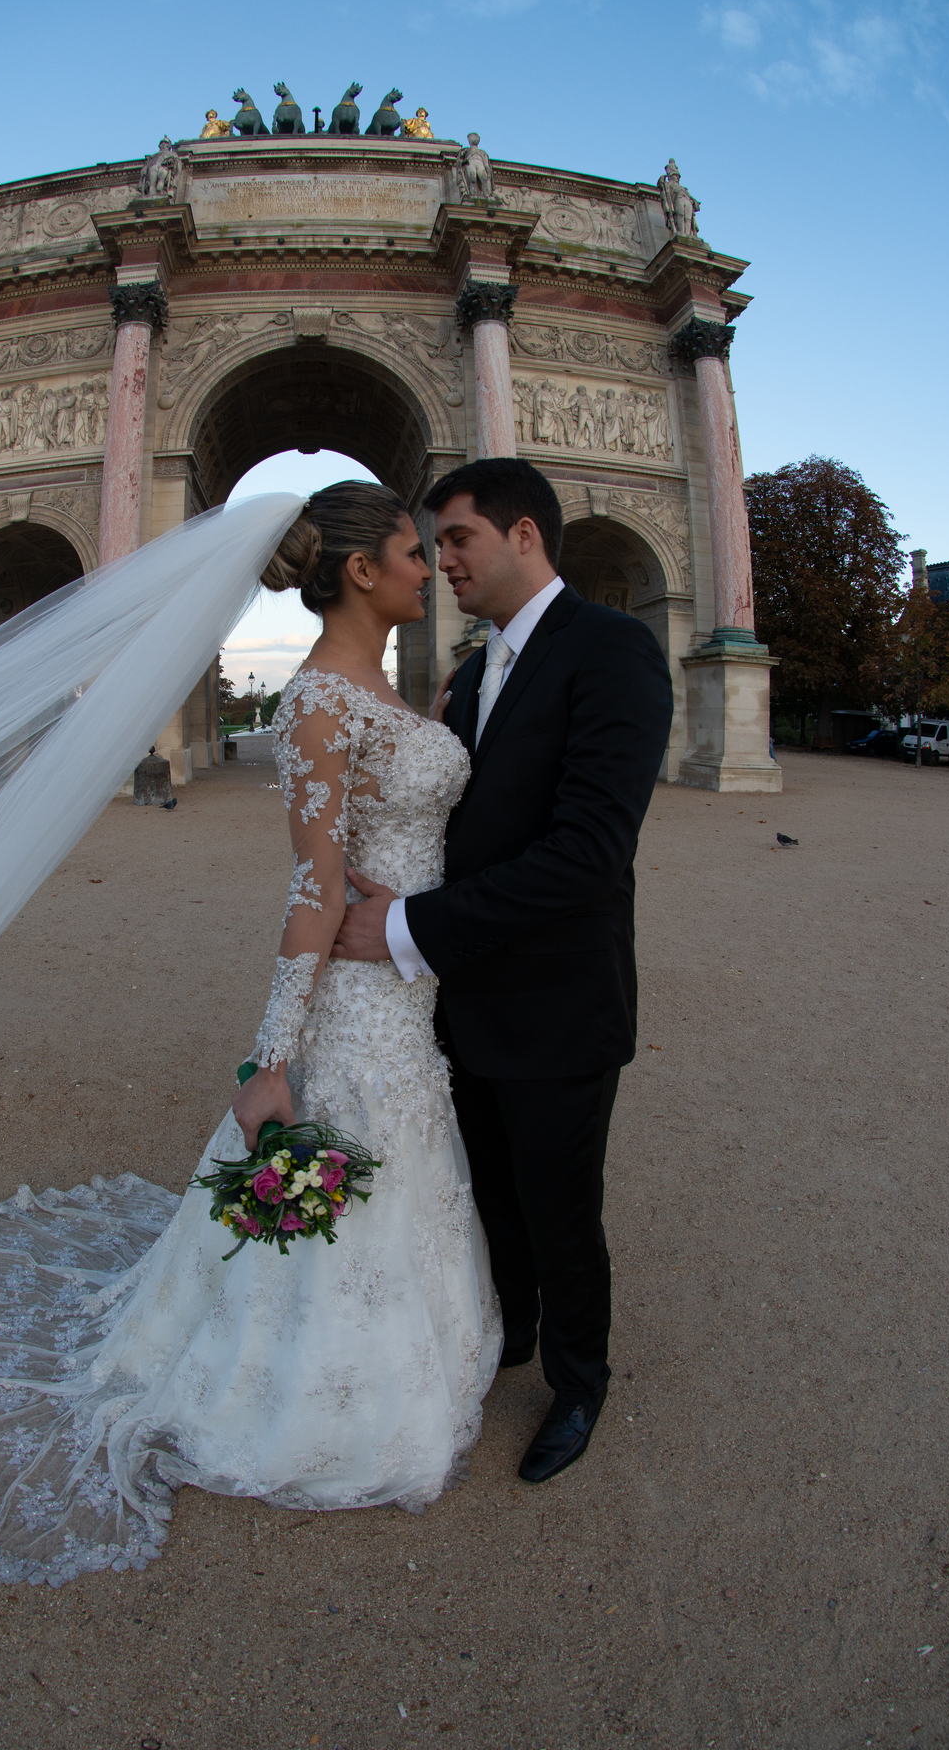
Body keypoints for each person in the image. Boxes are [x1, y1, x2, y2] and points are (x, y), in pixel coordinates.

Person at [0, 483, 500, 1587]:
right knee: (366, 1158)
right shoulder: (322, 699)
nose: (432, 570)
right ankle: (322, 1387)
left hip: (414, 973)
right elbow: (312, 890)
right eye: (417, 555)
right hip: (363, 1002)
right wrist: (271, 1062)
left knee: (404, 1171)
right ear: (364, 571)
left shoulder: (396, 688)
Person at [331, 458, 673, 1484]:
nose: (444, 563)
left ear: (525, 535)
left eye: (459, 540)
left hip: (560, 1003)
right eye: (432, 547)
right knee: (492, 1198)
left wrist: (410, 927)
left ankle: (578, 1382)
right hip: (464, 1000)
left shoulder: (615, 652)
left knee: (563, 1210)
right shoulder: (475, 674)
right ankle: (508, 1338)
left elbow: (587, 853)